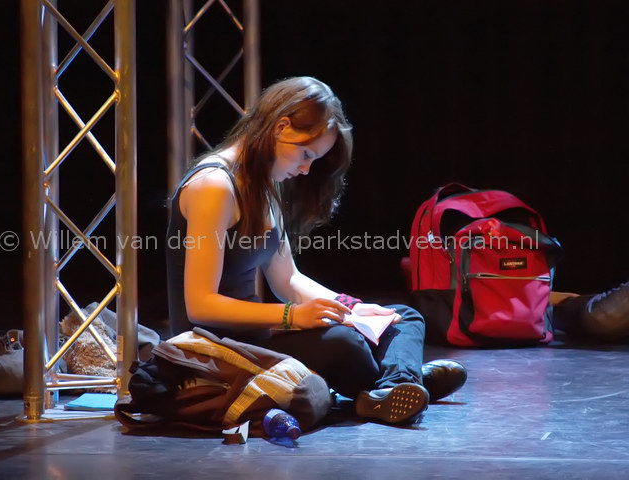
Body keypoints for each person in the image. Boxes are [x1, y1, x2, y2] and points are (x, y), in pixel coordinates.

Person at [165, 76, 466, 426]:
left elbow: (288, 279)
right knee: (343, 342)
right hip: (216, 348)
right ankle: (405, 381)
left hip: (258, 336)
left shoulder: (263, 184)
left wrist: (351, 308)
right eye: (306, 154)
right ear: (281, 127)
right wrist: (292, 316)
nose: (306, 169)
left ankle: (393, 387)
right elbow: (200, 304)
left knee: (401, 318)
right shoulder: (214, 186)